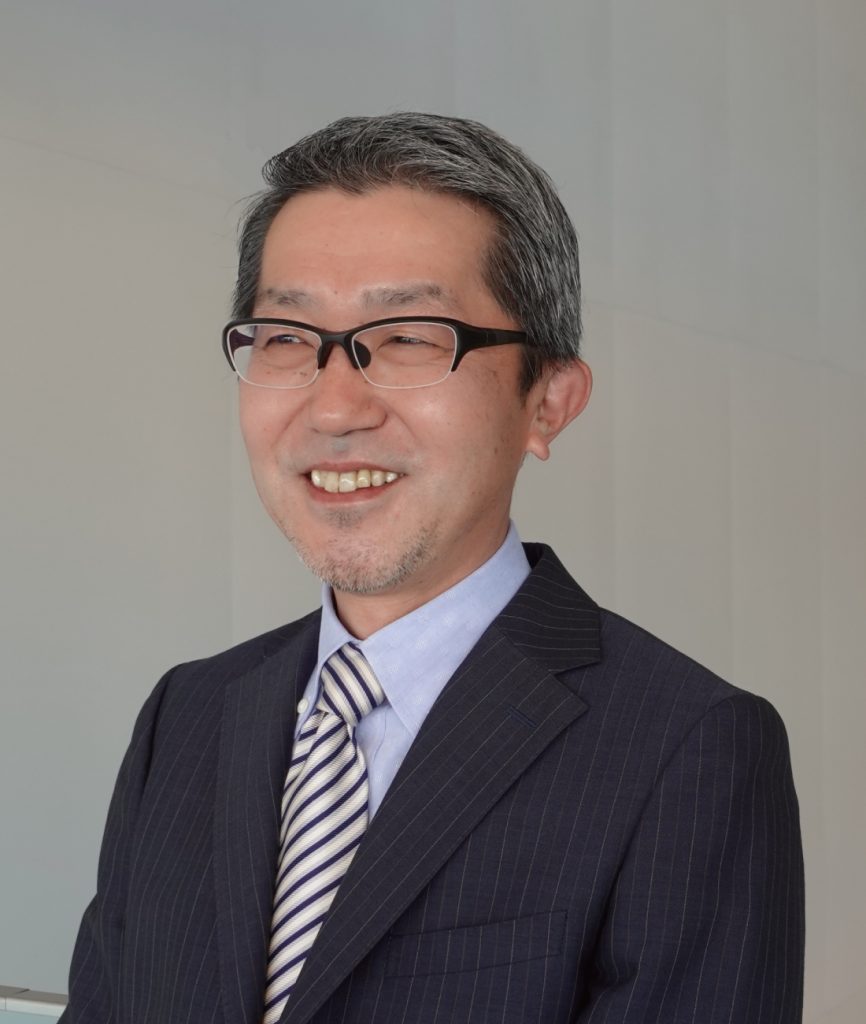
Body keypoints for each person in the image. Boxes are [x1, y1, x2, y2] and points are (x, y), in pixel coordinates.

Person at [61, 113, 804, 1024]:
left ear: (548, 401)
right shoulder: (188, 716)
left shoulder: (687, 748)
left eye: (409, 337)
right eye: (287, 337)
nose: (335, 407)